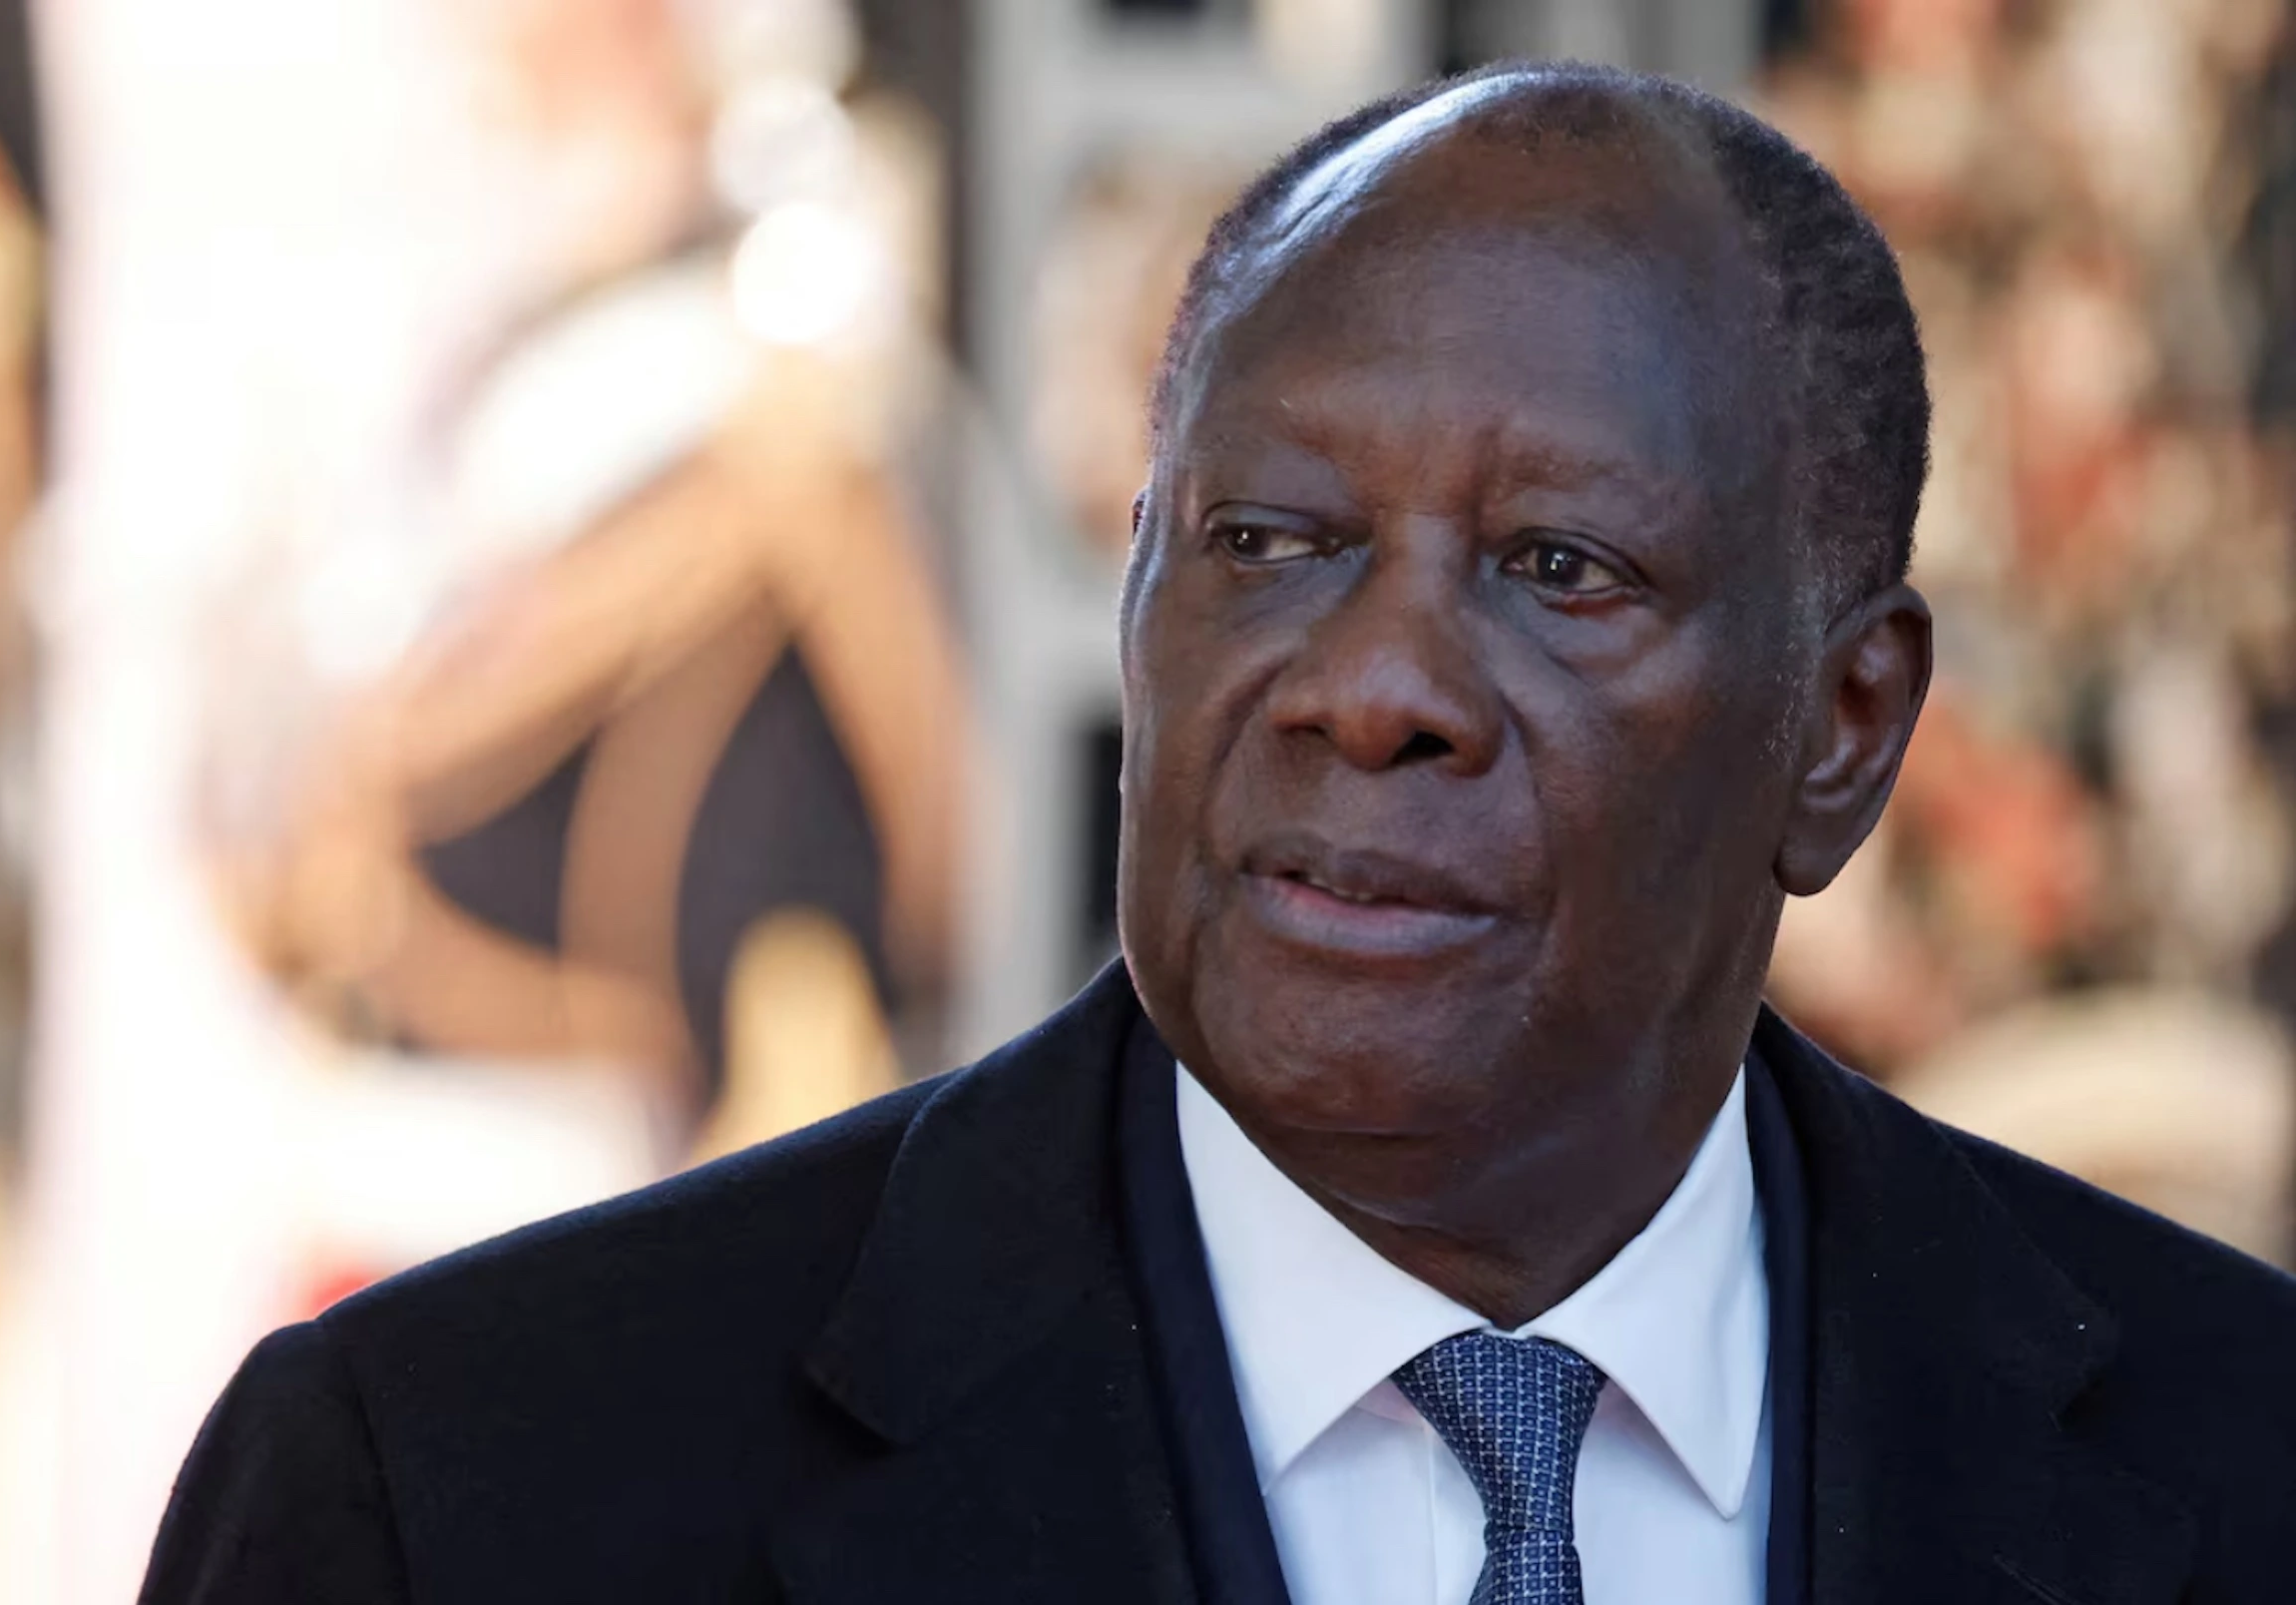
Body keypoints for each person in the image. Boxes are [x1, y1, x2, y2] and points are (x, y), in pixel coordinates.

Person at [138, 63, 2296, 1605]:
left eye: (1555, 570)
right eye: (1265, 539)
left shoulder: (2233, 1459)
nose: (1371, 686)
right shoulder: (459, 1496)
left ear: (1843, 727)